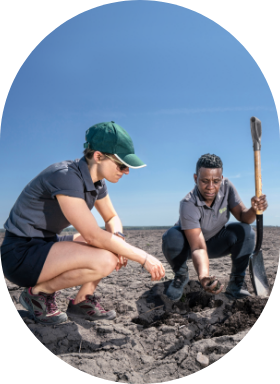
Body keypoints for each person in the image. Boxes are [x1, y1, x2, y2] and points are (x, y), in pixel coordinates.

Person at [0, 121, 165, 325]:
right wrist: (144, 257)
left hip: (46, 243)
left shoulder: (97, 182)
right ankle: (38, 294)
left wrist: (119, 239)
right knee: (105, 258)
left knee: (113, 246)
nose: (127, 171)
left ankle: (81, 301)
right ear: (98, 156)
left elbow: (112, 218)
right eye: (122, 164)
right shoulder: (66, 176)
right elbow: (92, 235)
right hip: (20, 254)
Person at [162, 153, 268, 301]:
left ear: (222, 179)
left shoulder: (227, 187)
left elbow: (244, 217)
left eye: (216, 181)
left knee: (246, 231)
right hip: (188, 247)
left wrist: (254, 209)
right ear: (195, 178)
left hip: (214, 242)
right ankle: (181, 277)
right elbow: (198, 247)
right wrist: (204, 276)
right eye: (205, 181)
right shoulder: (188, 203)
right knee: (171, 237)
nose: (211, 187)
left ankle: (236, 284)